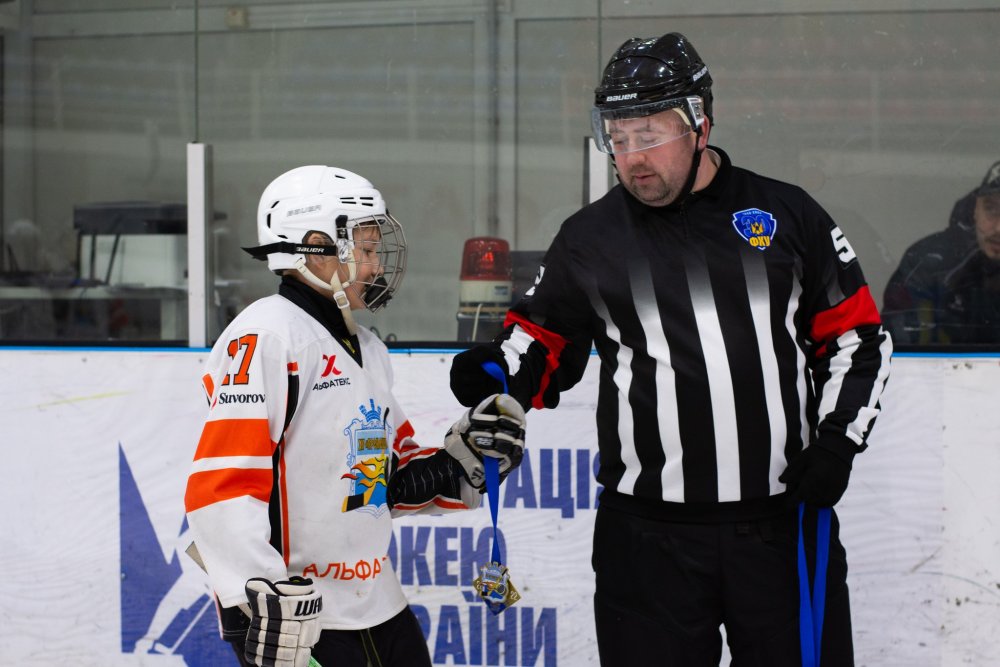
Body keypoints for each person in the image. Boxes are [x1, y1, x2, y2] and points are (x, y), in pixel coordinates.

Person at [450, 33, 892, 666]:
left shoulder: (787, 214)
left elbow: (856, 338)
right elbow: (541, 341)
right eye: (618, 137)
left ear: (699, 123)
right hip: (645, 540)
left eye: (649, 135)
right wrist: (496, 369)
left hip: (780, 526)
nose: (632, 157)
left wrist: (837, 443)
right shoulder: (589, 238)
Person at [183, 165, 526, 667]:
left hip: (376, 603)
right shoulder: (268, 337)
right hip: (298, 615)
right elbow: (222, 486)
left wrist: (464, 463)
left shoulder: (365, 348)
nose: (376, 266)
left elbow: (383, 478)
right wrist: (258, 593)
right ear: (316, 247)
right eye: (365, 249)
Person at [883, 159, 1000, 344]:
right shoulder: (930, 264)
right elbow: (898, 347)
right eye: (991, 209)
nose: (998, 228)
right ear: (976, 209)